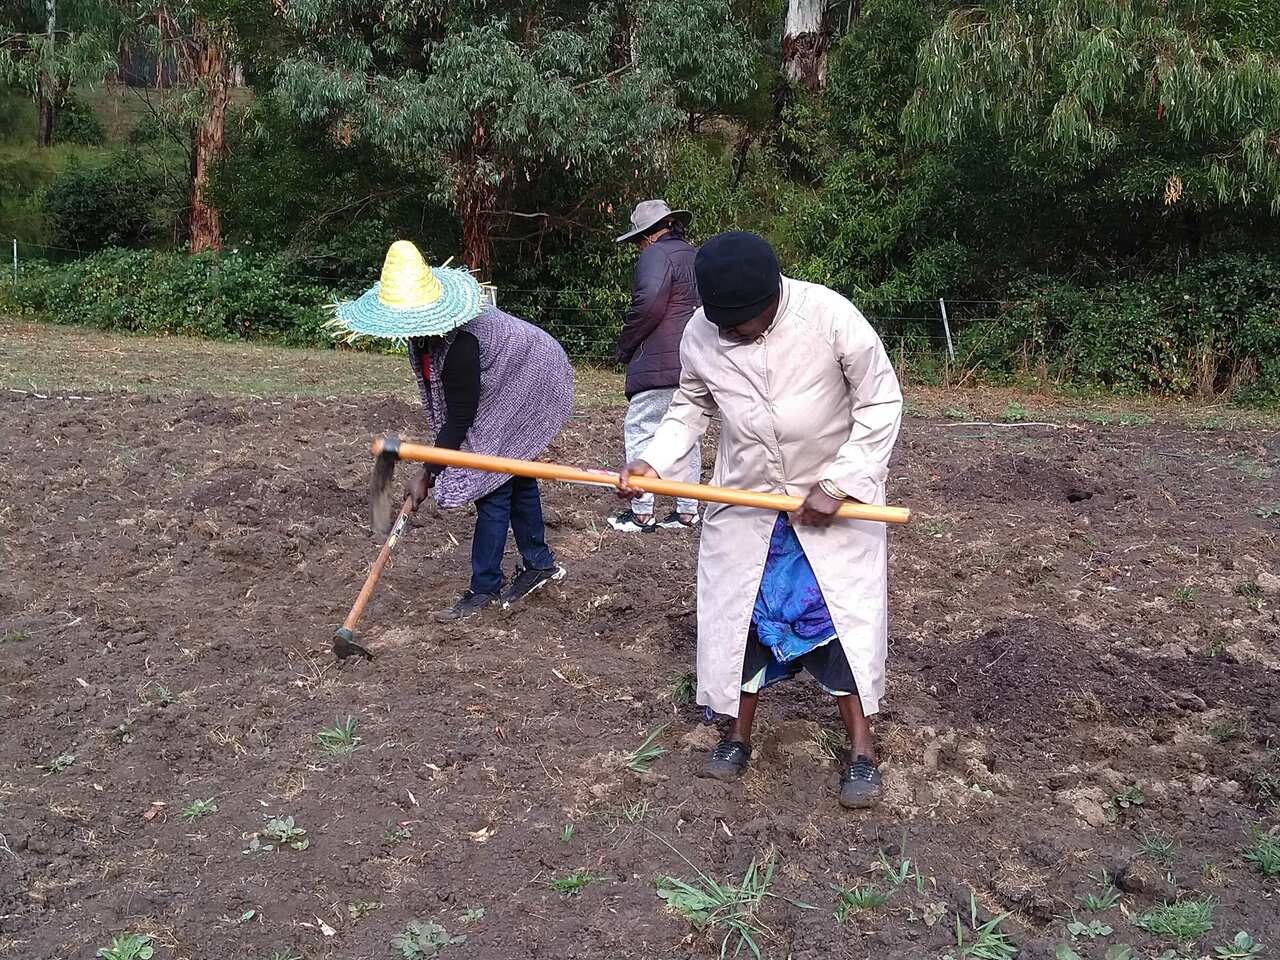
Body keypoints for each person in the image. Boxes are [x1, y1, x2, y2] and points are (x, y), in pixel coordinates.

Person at [620, 232, 903, 809]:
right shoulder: (703, 331)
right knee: (741, 619)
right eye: (725, 325)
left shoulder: (829, 316)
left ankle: (863, 749)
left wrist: (838, 483)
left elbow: (880, 401)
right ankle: (736, 736)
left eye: (745, 325)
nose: (733, 336)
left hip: (832, 505)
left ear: (775, 296)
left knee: (836, 620)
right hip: (748, 503)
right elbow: (691, 406)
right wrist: (653, 458)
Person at [335, 240, 574, 622]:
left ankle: (484, 589)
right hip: (505, 377)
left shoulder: (461, 344)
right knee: (515, 472)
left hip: (532, 376)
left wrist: (426, 472)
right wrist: (430, 469)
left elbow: (460, 417)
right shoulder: (426, 340)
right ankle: (539, 563)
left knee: (490, 484)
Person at [608, 199, 704, 533]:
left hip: (660, 361)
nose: (638, 246)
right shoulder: (694, 255)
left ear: (648, 235)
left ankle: (642, 512)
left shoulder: (655, 255)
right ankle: (687, 510)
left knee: (641, 427)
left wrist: (626, 344)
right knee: (685, 431)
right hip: (696, 360)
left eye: (637, 240)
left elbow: (648, 304)